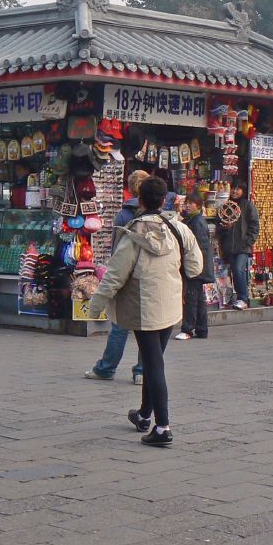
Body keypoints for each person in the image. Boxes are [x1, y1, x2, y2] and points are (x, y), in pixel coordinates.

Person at [86, 177, 203, 448]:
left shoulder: (132, 234)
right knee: (154, 360)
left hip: (143, 307)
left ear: (140, 200)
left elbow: (115, 275)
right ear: (164, 201)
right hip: (171, 305)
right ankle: (144, 414)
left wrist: (96, 305)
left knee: (154, 364)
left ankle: (162, 427)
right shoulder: (179, 229)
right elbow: (196, 267)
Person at [86, 170, 151, 382]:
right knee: (146, 326)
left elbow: (116, 249)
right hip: (149, 275)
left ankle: (106, 368)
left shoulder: (124, 214)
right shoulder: (156, 213)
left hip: (126, 275)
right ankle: (142, 371)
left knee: (119, 325)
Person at [176, 190, 215, 340]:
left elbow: (198, 248)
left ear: (198, 205)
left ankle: (187, 329)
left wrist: (193, 265)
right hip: (198, 266)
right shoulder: (192, 220)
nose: (187, 206)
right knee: (198, 298)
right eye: (186, 203)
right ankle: (201, 329)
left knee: (192, 297)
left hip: (196, 266)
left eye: (190, 203)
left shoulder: (197, 222)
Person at [218, 182, 259, 311]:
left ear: (243, 190)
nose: (235, 191)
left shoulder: (247, 205)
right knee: (233, 272)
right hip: (230, 245)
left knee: (239, 269)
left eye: (238, 188)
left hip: (243, 246)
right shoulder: (226, 206)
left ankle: (243, 298)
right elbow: (219, 224)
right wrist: (225, 228)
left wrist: (248, 241)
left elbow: (254, 225)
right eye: (233, 189)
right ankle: (236, 297)